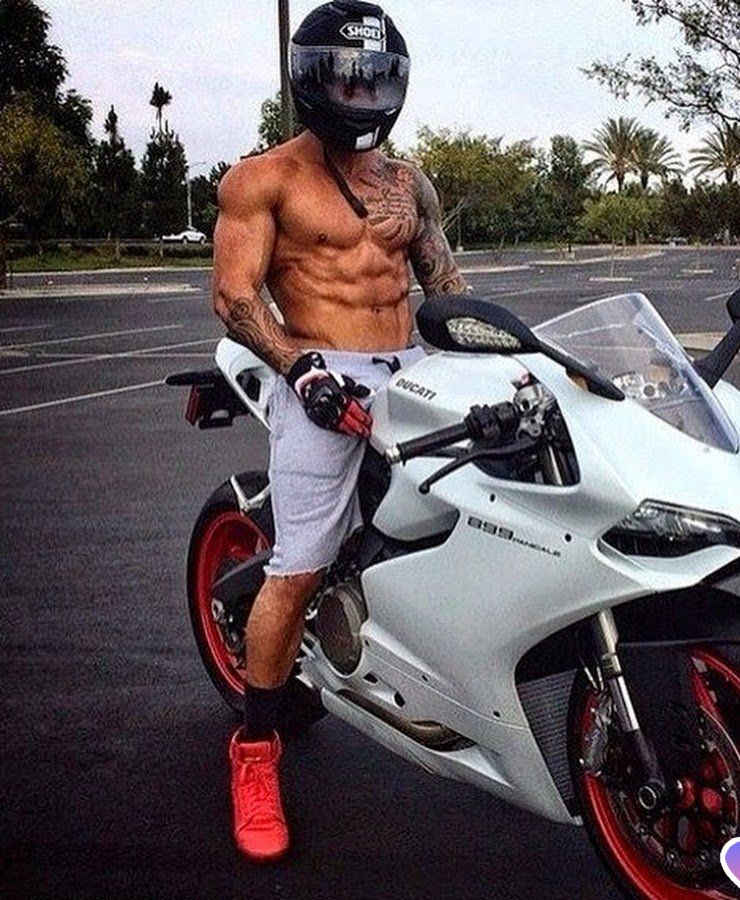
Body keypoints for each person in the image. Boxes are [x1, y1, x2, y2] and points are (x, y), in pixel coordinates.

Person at [211, 0, 467, 862]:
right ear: (313, 81)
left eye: (377, 79)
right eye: (346, 79)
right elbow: (235, 296)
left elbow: (444, 286)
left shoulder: (411, 183)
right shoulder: (263, 180)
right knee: (300, 566)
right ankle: (255, 750)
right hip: (318, 369)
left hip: (412, 370)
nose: (363, 95)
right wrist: (302, 372)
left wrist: (497, 351)